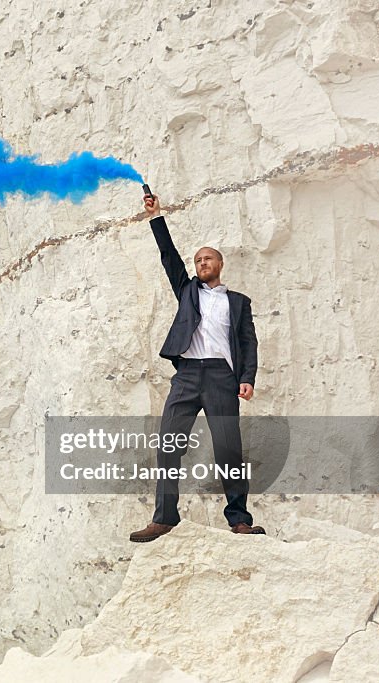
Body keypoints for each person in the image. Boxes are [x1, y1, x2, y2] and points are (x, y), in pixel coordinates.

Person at [129, 192, 265, 542]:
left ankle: (239, 519)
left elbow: (249, 342)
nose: (201, 263)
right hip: (187, 374)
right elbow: (168, 257)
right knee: (168, 443)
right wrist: (156, 216)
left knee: (228, 449)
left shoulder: (238, 303)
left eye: (207, 259)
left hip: (222, 376)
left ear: (219, 265)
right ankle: (165, 517)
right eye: (198, 260)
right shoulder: (188, 291)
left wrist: (247, 378)